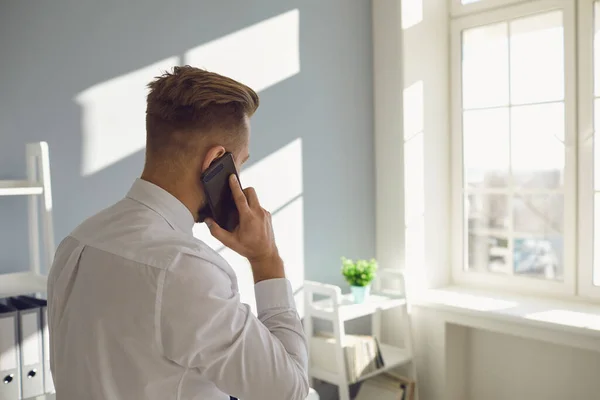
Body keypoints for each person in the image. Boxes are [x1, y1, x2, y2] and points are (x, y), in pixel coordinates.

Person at [47, 66, 309, 400]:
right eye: (239, 164)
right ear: (216, 160)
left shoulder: (76, 243)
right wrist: (266, 259)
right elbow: (290, 392)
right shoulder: (186, 270)